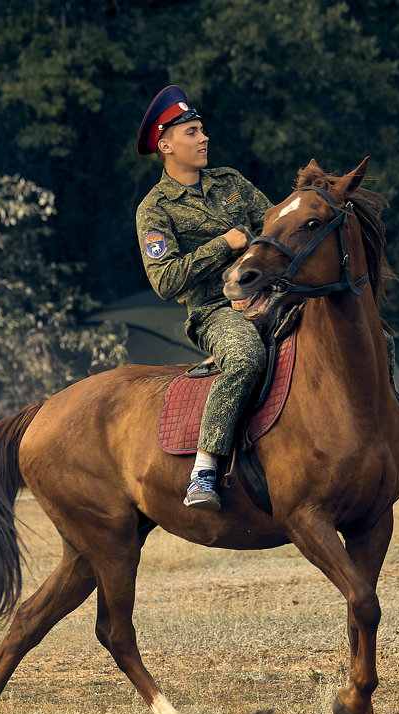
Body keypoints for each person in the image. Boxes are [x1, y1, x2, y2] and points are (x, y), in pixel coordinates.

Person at [135, 85, 272, 511]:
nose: (203, 138)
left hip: (269, 295)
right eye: (192, 132)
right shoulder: (155, 209)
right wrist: (224, 244)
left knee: (374, 337)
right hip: (214, 312)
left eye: (202, 130)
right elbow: (166, 280)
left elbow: (274, 230)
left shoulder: (231, 182)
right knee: (246, 357)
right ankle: (204, 471)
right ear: (166, 145)